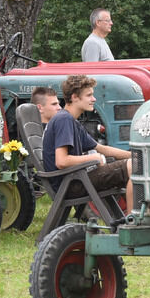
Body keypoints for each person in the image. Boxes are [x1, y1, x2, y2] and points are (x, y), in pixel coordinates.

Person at [42, 74, 132, 209]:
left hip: (78, 178)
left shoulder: (72, 121)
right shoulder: (64, 120)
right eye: (89, 95)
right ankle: (134, 224)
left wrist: (136, 155)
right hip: (71, 184)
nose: (94, 99)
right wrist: (93, 157)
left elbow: (102, 149)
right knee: (133, 167)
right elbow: (61, 161)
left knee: (135, 163)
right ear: (74, 97)